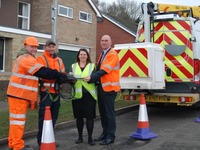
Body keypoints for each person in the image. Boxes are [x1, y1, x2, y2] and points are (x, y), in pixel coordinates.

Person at [6, 37, 69, 150]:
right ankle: (17, 146)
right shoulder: (26, 58)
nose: (34, 49)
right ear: (25, 46)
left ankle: (13, 143)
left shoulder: (27, 57)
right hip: (19, 94)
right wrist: (58, 75)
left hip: (19, 94)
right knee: (18, 121)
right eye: (32, 46)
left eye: (36, 47)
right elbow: (42, 72)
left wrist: (61, 77)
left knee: (16, 121)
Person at [84, 35, 120, 145]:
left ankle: (110, 136)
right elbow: (98, 69)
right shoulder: (103, 54)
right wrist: (91, 78)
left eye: (106, 41)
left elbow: (105, 70)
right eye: (102, 41)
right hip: (102, 88)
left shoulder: (112, 54)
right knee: (103, 113)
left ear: (110, 42)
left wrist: (91, 77)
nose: (104, 42)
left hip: (109, 89)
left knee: (109, 113)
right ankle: (105, 133)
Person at [36, 39, 65, 147]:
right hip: (46, 93)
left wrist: (64, 79)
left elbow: (63, 73)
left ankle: (50, 139)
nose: (51, 48)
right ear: (45, 48)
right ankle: (41, 141)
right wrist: (58, 75)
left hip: (56, 93)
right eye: (49, 46)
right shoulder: (41, 59)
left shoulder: (60, 60)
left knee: (54, 117)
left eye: (53, 46)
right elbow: (42, 73)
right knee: (43, 118)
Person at [71, 48, 97, 146]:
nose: (83, 56)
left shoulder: (92, 66)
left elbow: (96, 79)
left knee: (90, 118)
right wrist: (71, 80)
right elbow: (70, 78)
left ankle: (90, 138)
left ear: (87, 56)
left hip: (89, 95)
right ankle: (80, 137)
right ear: (78, 56)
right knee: (79, 118)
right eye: (81, 54)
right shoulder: (73, 66)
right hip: (77, 96)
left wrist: (90, 79)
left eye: (84, 54)